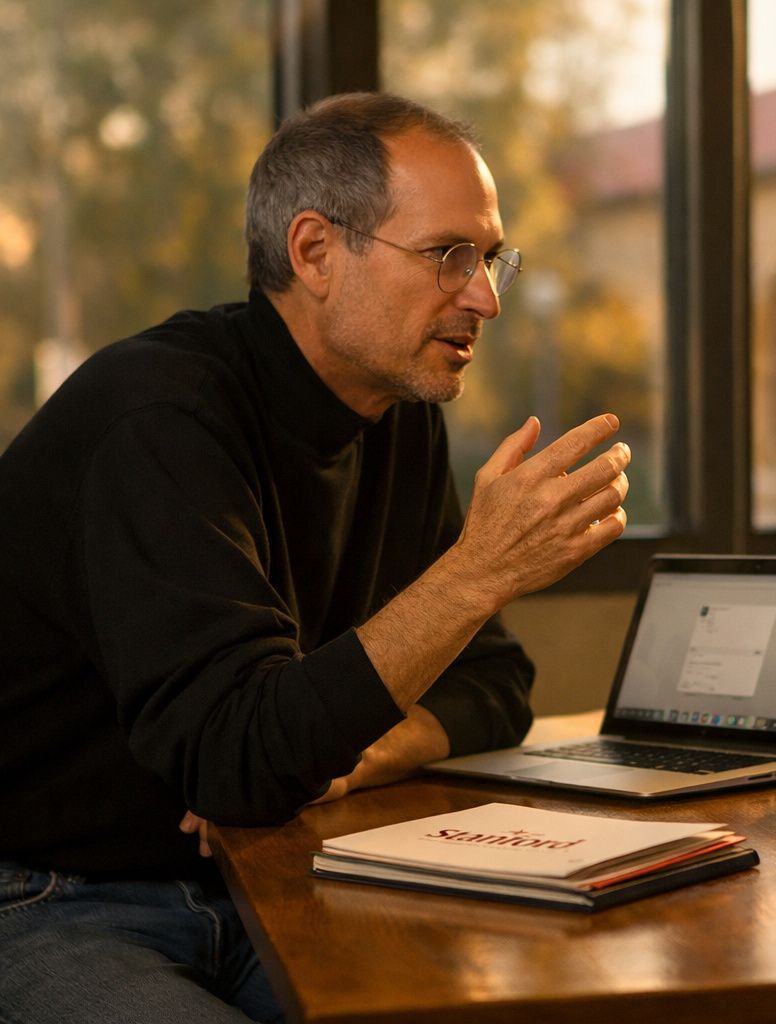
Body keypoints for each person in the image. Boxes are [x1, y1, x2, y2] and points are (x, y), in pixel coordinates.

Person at [0, 92, 630, 1022]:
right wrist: (480, 569)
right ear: (314, 252)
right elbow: (235, 765)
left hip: (274, 872)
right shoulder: (162, 421)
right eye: (448, 254)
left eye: (491, 257)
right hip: (53, 897)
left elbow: (493, 685)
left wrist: (352, 752)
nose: (485, 297)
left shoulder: (398, 415)